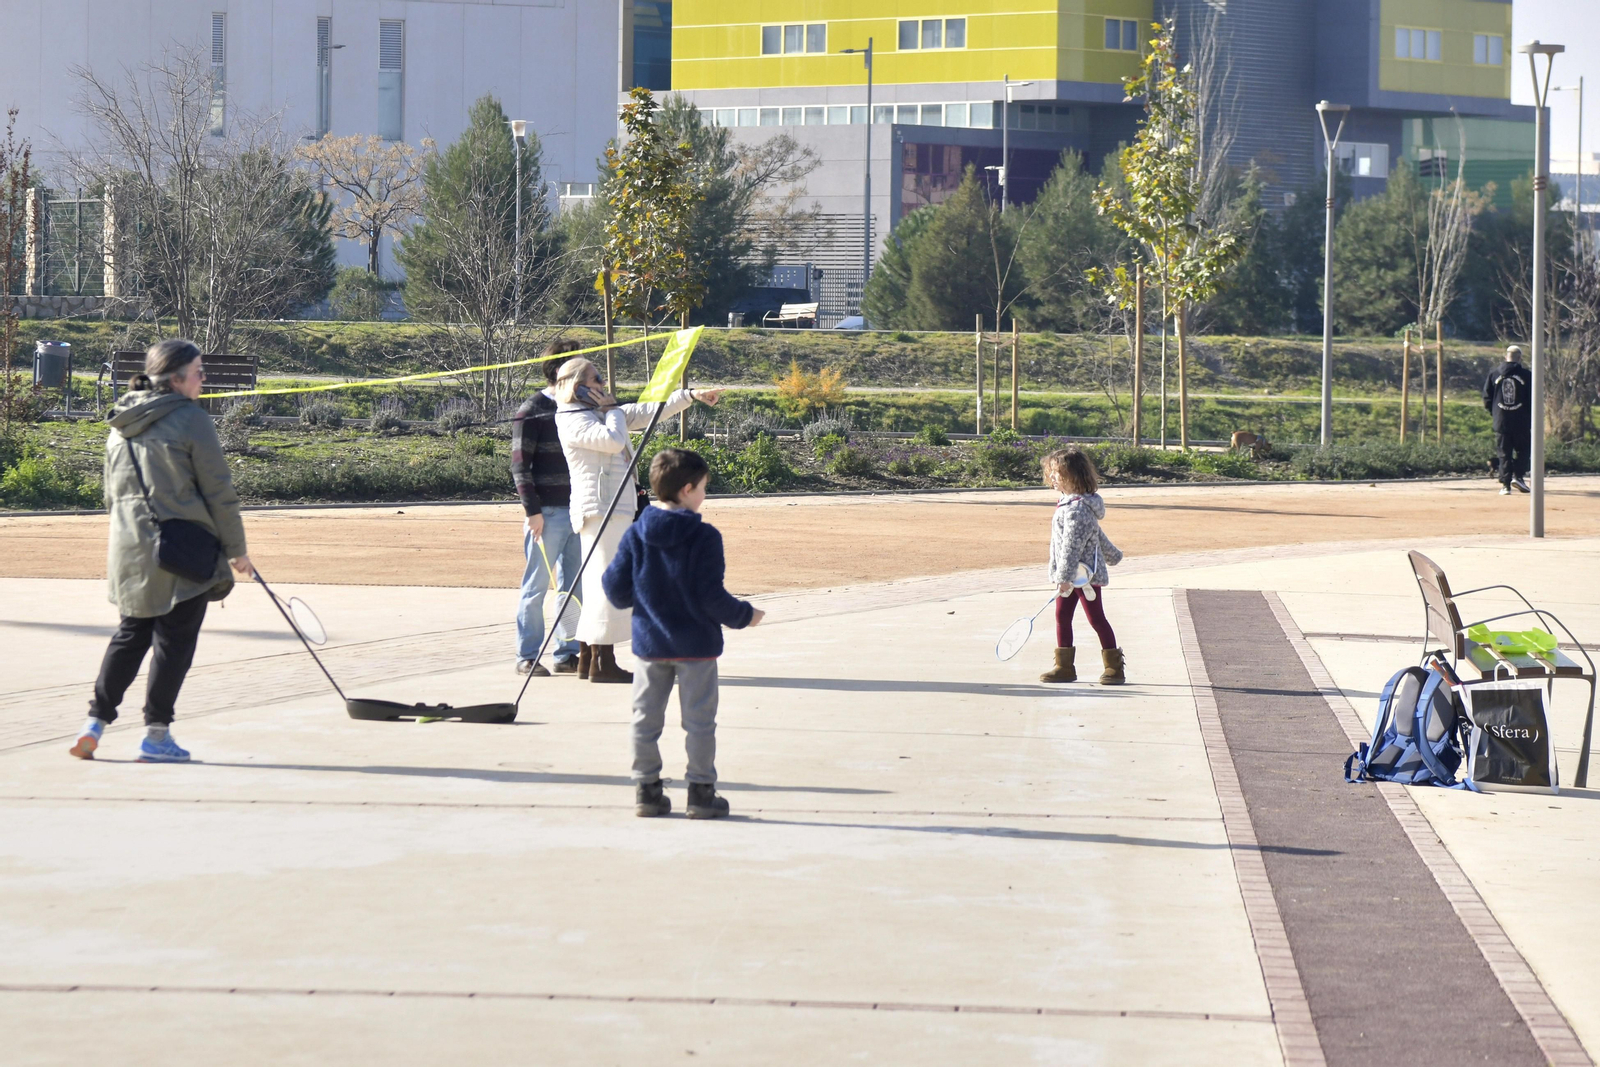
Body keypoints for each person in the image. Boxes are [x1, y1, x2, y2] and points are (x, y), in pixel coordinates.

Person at [70, 339, 254, 763]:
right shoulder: (191, 419)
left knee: (130, 635)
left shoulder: (122, 421)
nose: (203, 381)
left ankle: (93, 725)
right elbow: (219, 491)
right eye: (198, 373)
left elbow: (109, 495)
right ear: (176, 379)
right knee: (173, 644)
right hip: (181, 551)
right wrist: (237, 550)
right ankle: (156, 736)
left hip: (129, 549)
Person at [602, 448, 763, 819]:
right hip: (696, 647)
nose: (705, 495)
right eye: (704, 488)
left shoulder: (636, 534)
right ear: (688, 489)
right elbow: (711, 596)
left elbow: (614, 588)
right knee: (700, 722)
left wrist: (642, 598)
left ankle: (647, 790)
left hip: (649, 644)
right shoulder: (704, 536)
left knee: (645, 719)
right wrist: (744, 615)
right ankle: (701, 793)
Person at [553, 356, 720, 683]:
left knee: (602, 584)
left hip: (613, 508)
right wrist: (613, 409)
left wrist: (690, 395)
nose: (603, 385)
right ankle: (603, 663)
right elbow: (613, 442)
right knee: (606, 586)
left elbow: (646, 411)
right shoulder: (573, 419)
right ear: (579, 386)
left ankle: (589, 660)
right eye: (597, 379)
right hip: (600, 509)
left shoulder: (596, 413)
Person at [510, 338, 585, 676]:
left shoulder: (581, 410)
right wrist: (533, 512)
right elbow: (519, 466)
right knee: (536, 587)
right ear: (560, 372)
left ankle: (567, 652)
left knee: (574, 588)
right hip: (547, 516)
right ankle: (527, 656)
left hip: (578, 513)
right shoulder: (532, 411)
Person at [1038, 448, 1125, 686]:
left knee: (1096, 618)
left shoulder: (1076, 509)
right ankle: (1064, 667)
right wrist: (1113, 554)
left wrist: (1063, 577)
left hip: (1083, 577)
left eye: (1057, 473)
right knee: (1062, 615)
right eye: (1051, 473)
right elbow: (1097, 534)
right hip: (1072, 575)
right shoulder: (1072, 504)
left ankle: (1114, 668)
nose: (1052, 477)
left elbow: (1071, 547)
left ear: (1072, 476)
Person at [1483, 344, 1533, 496]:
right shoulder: (1527, 375)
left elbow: (1487, 397)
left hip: (1501, 421)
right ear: (1519, 358)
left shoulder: (1493, 374)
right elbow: (1533, 398)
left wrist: (1496, 413)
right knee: (1524, 450)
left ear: (1506, 357)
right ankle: (1518, 476)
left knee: (1504, 453)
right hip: (1521, 421)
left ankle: (1506, 485)